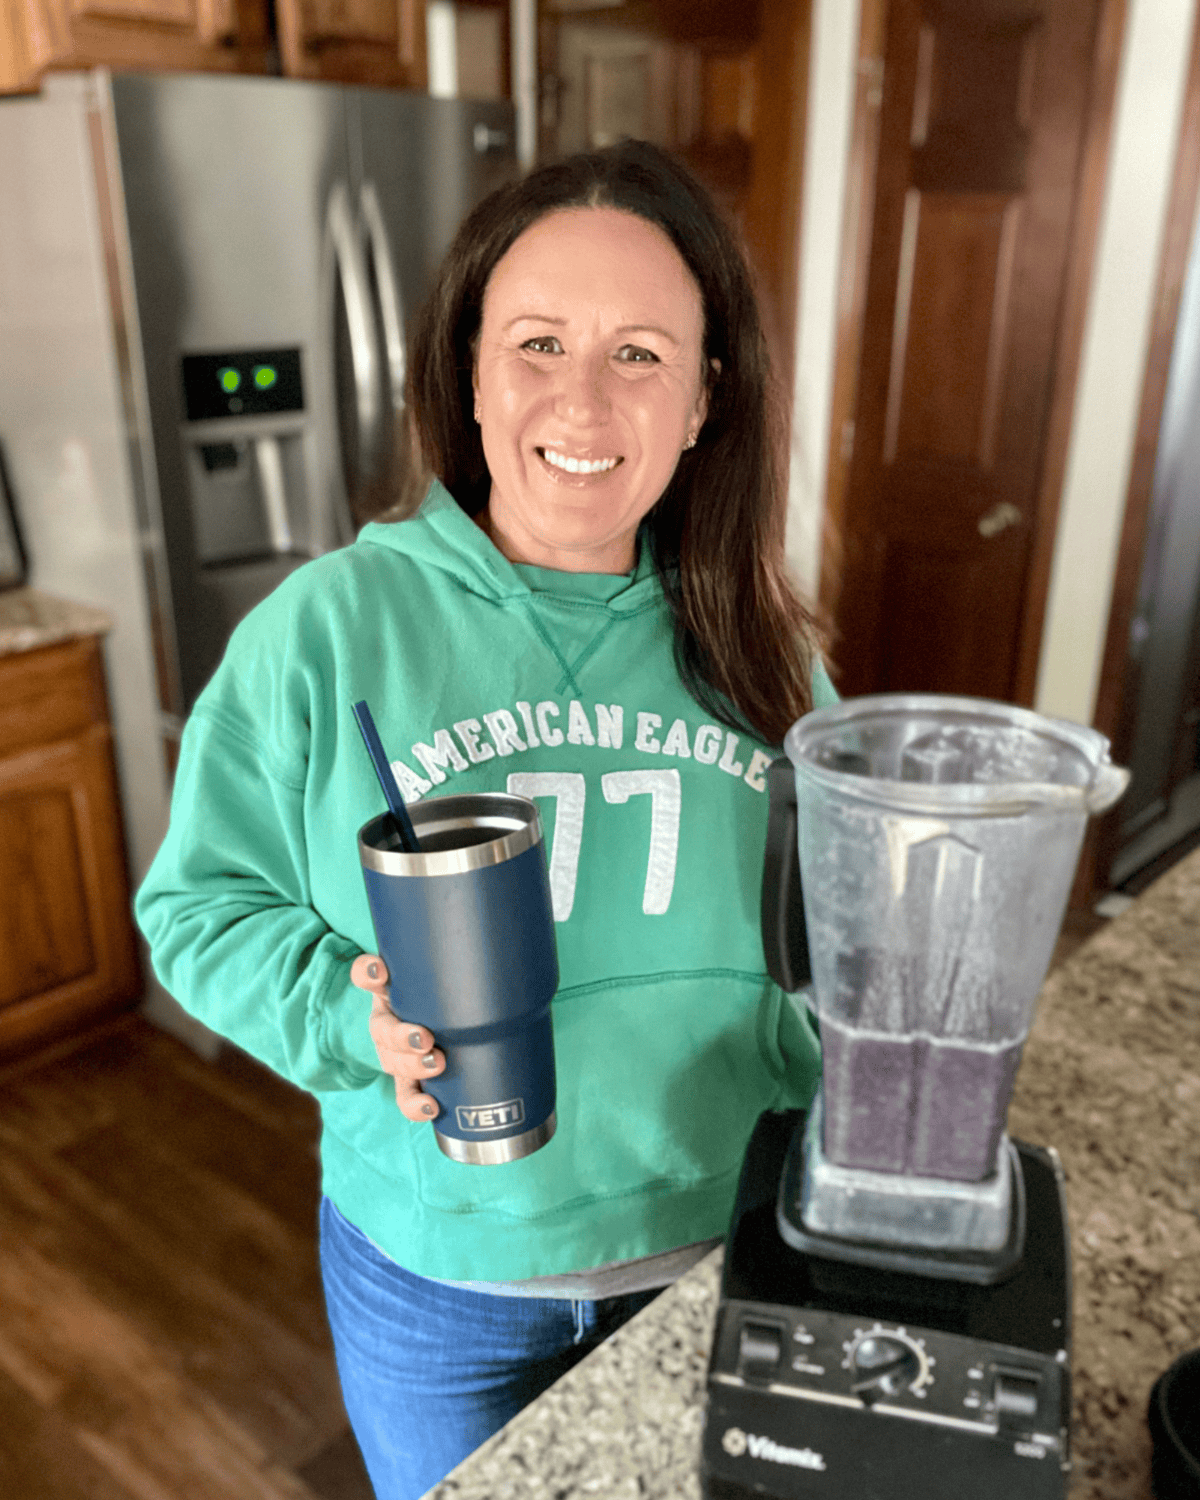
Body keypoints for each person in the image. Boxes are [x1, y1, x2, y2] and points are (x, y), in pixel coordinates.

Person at [136, 139, 838, 1499]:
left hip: (713, 1243)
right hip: (432, 1275)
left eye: (641, 353)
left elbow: (838, 939)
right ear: (468, 375)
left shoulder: (768, 650)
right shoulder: (327, 631)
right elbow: (198, 906)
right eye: (536, 343)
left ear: (707, 400)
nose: (583, 396)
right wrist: (348, 1017)